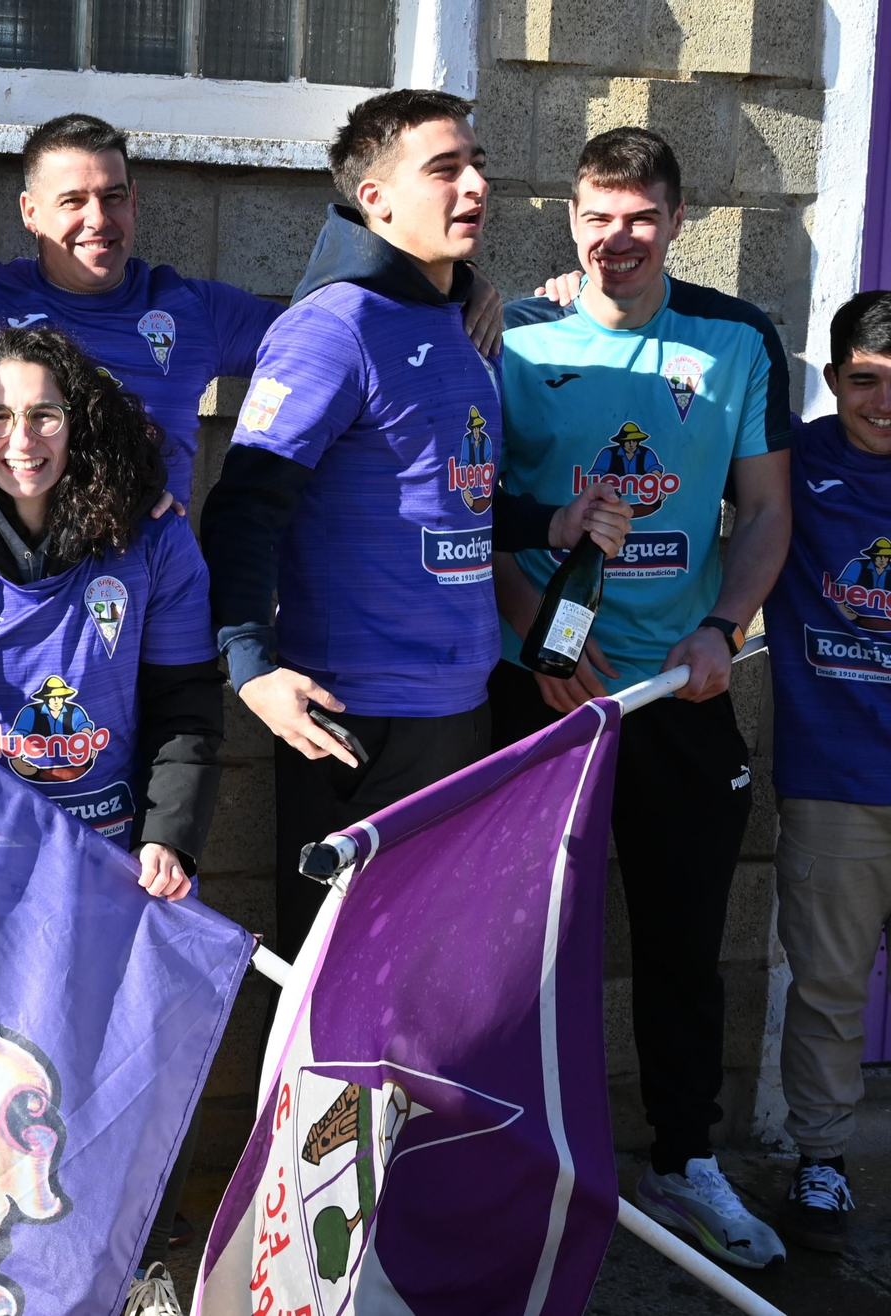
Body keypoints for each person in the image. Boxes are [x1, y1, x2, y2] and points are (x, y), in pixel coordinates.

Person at [199, 89, 630, 962]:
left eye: (477, 166)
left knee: (428, 988)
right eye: (445, 169)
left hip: (460, 711)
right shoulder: (332, 328)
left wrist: (553, 522)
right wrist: (249, 668)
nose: (475, 185)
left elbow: (446, 497)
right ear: (376, 200)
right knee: (339, 996)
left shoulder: (456, 317)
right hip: (358, 723)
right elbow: (244, 506)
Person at [0, 326, 221, 1316]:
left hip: (110, 869)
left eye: (42, 413)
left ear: (79, 423)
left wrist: (168, 832)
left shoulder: (152, 540)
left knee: (121, 1078)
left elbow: (188, 705)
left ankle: (140, 1267)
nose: (19, 437)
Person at [490, 127, 792, 1268]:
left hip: (679, 687)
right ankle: (514, 1161)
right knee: (520, 947)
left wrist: (723, 627)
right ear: (566, 216)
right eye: (594, 215)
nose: (614, 239)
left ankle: (685, 1159)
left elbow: (762, 511)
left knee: (680, 938)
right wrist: (533, 641)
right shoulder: (512, 333)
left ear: (675, 221)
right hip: (542, 694)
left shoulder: (732, 338)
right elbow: (480, 505)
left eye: (638, 218)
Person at [0, 113, 510, 514]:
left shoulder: (189, 307)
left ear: (135, 201)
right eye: (72, 202)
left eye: (113, 197)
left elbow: (331, 326)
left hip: (153, 590)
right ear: (30, 212)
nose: (98, 221)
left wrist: (454, 283)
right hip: (14, 584)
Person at [759, 290, 891, 1255]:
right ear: (835, 376)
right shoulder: (793, 463)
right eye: (865, 382)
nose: (883, 404)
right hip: (835, 775)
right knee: (829, 988)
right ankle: (824, 1164)